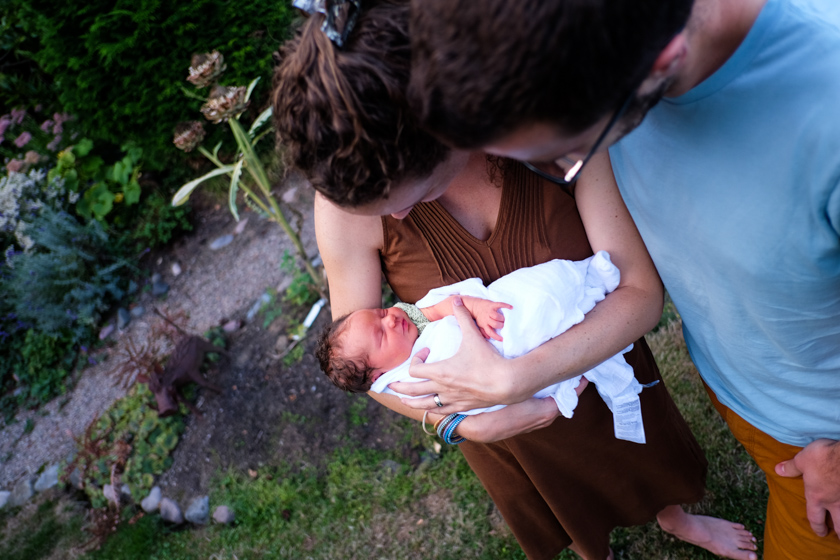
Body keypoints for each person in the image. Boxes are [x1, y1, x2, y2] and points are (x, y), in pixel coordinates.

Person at [272, 2, 757, 559]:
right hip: (500, 424)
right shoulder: (345, 198)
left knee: (638, 450)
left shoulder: (548, 125)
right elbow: (364, 364)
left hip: (595, 352)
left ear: (443, 125)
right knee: (562, 493)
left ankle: (673, 515)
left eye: (405, 199)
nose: (398, 219)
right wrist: (463, 426)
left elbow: (641, 297)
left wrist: (515, 379)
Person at [408, 0, 840, 558]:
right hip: (743, 386)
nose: (566, 174)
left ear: (663, 58)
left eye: (563, 160)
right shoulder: (614, 55)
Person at [317, 253, 650, 446]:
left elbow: (448, 304)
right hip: (511, 391)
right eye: (380, 335)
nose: (391, 320)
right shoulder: (400, 382)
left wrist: (475, 308)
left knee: (529, 299)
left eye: (380, 313)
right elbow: (453, 405)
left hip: (499, 328)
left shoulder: (416, 317)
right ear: (379, 374)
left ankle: (586, 281)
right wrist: (468, 422)